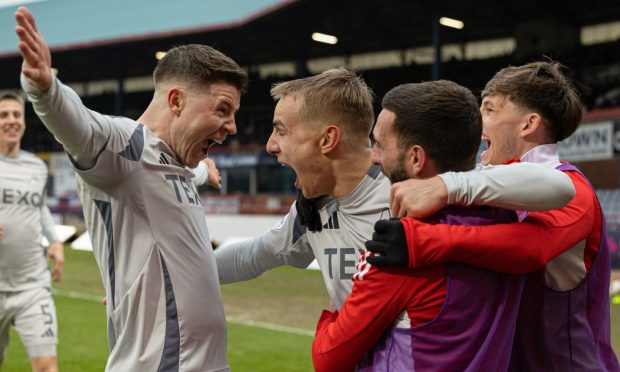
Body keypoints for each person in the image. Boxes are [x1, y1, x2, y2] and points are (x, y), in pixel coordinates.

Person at [214, 67, 574, 312]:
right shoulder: (312, 209)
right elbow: (253, 256)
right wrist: (174, 273)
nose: (270, 145)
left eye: (281, 130)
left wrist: (445, 185)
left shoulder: (413, 185)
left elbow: (558, 185)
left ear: (327, 139)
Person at [15, 6, 248, 371]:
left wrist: (205, 173)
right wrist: (45, 90)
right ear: (176, 101)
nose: (231, 127)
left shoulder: (177, 162)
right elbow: (81, 128)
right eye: (222, 109)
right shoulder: (126, 146)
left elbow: (175, 178)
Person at [366, 61, 620, 371]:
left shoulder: (574, 191)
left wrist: (421, 238)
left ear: (528, 124)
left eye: (489, 109)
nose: (478, 120)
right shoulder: (486, 183)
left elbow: (530, 249)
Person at [312, 80, 528, 371]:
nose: (373, 157)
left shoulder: (400, 250)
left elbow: (329, 358)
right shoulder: (509, 217)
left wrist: (332, 311)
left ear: (415, 158)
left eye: (379, 144)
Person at [0, 92, 64, 372]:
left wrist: (55, 240)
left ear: (24, 122)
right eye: (3, 115)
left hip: (32, 286)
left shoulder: (36, 167)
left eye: (16, 114)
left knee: (47, 366)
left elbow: (39, 208)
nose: (11, 120)